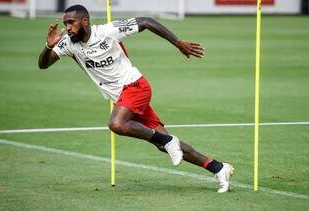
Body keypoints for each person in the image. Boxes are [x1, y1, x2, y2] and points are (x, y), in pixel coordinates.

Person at [38, 4, 234, 193]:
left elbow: (146, 22)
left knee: (116, 124)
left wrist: (178, 43)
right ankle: (218, 167)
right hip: (123, 98)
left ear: (85, 21)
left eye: (72, 22)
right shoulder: (68, 43)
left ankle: (167, 140)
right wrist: (48, 46)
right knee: (162, 144)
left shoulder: (107, 31)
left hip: (135, 86)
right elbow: (43, 65)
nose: (68, 27)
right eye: (66, 23)